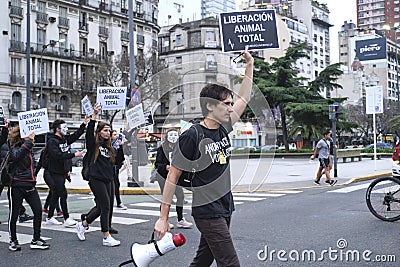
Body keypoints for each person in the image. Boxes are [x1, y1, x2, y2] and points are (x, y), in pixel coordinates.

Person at [154, 47, 254, 267]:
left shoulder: (223, 127)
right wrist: (163, 217)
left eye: (230, 104)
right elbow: (172, 176)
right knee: (230, 263)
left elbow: (244, 98)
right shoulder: (192, 136)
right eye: (225, 104)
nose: (230, 108)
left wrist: (249, 65)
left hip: (225, 204)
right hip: (207, 210)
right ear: (210, 106)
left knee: (204, 259)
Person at [76, 103, 121, 247]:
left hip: (108, 179)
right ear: (99, 132)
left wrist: (121, 147)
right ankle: (106, 237)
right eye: (105, 130)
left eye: (109, 130)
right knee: (106, 206)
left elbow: (116, 162)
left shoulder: (109, 147)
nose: (108, 133)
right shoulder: (94, 145)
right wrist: (94, 115)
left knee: (102, 207)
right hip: (96, 179)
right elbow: (89, 132)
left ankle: (83, 224)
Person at [7, 127, 49, 251]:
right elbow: (16, 157)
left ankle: (36, 239)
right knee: (14, 214)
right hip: (17, 185)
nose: (32, 135)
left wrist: (34, 174)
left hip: (30, 185)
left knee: (37, 211)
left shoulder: (29, 149)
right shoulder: (14, 148)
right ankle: (13, 240)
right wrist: (28, 142)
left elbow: (32, 165)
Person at [45, 118, 88, 227]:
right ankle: (66, 218)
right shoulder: (52, 141)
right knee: (62, 193)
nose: (67, 129)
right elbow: (58, 155)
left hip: (61, 171)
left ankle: (50, 217)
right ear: (57, 129)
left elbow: (75, 136)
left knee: (56, 193)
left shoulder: (64, 139)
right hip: (53, 172)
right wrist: (74, 155)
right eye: (64, 127)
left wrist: (84, 123)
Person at [155, 129, 193, 229]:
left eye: (175, 135)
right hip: (164, 177)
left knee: (180, 196)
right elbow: (157, 164)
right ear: (167, 137)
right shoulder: (162, 149)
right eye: (171, 135)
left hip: (176, 177)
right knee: (166, 198)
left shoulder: (180, 148)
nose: (173, 137)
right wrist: (166, 167)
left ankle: (180, 219)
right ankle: (164, 220)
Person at [1, 120, 33, 224]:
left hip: (10, 173)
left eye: (10, 128)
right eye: (8, 128)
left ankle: (21, 213)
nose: (9, 129)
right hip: (3, 173)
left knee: (13, 197)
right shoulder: (3, 140)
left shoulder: (12, 143)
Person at [34, 146, 62, 217]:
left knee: (52, 191)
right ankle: (58, 210)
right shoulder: (45, 151)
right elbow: (40, 163)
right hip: (48, 173)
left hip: (56, 173)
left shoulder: (58, 150)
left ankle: (46, 208)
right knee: (55, 190)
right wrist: (35, 174)